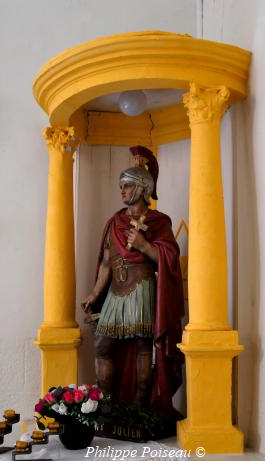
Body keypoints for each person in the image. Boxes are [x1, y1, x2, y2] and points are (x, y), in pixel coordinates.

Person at [81, 146, 185, 415]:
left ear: (142, 188)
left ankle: (140, 405)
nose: (122, 191)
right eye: (121, 186)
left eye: (127, 186)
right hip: (116, 290)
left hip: (142, 287)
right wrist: (94, 293)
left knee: (142, 346)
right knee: (102, 344)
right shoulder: (114, 221)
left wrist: (144, 245)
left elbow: (169, 257)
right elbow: (106, 262)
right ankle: (108, 401)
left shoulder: (160, 221)